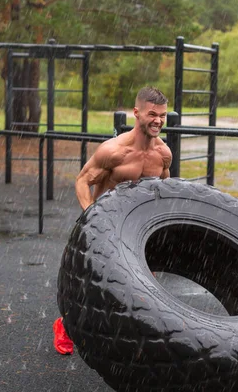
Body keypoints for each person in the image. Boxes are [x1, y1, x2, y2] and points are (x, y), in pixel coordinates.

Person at [53, 86, 172, 355]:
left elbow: (164, 191)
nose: (158, 121)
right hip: (105, 226)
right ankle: (65, 325)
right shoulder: (113, 151)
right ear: (136, 113)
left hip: (137, 230)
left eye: (163, 116)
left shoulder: (163, 154)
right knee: (90, 288)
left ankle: (137, 341)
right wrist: (91, 216)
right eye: (152, 114)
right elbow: (83, 181)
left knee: (144, 288)